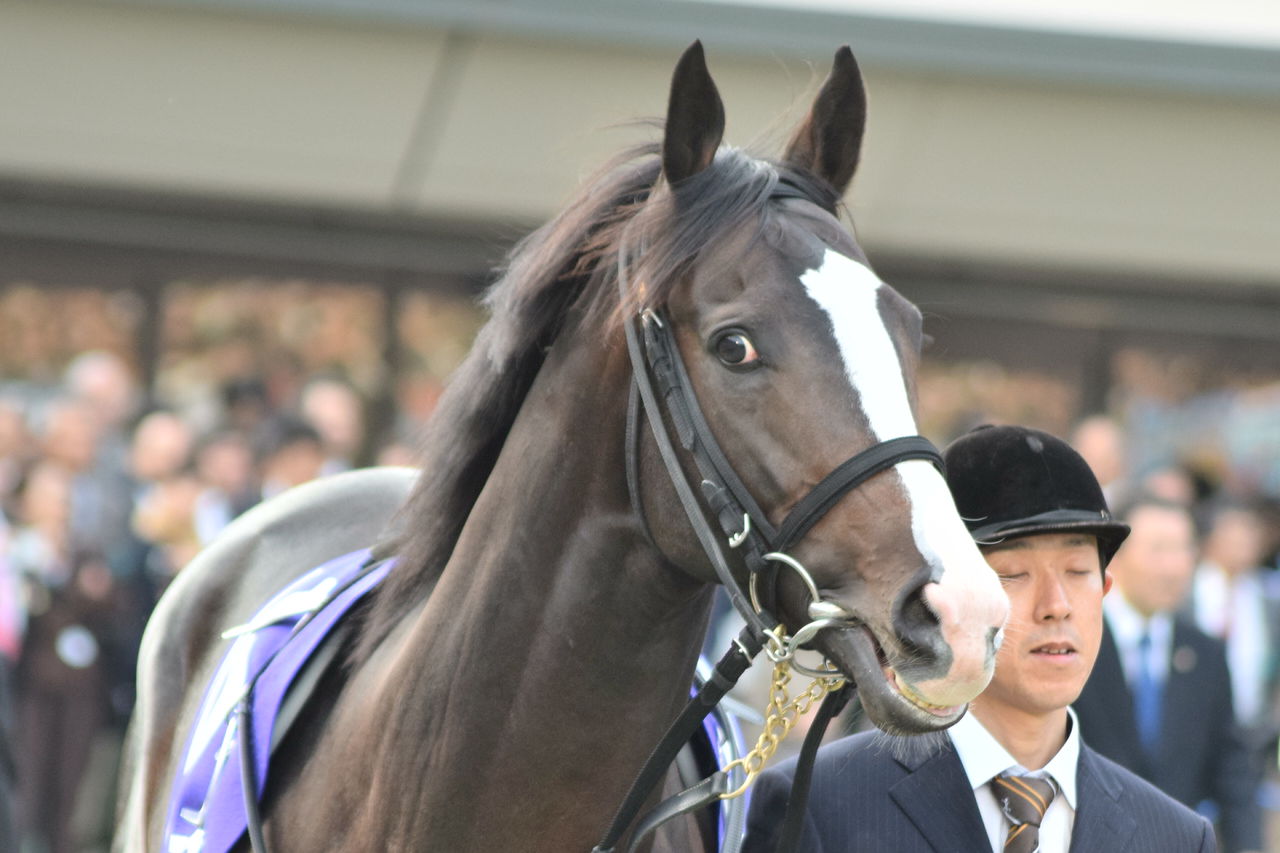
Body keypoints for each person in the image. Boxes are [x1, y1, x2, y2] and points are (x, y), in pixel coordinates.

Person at [745, 424, 1215, 852]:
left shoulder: (1175, 837)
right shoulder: (822, 805)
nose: (1057, 604)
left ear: (1106, 590)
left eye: (1077, 572)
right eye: (1014, 574)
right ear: (939, 594)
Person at [1073, 497, 1264, 853]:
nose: (1173, 567)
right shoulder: (1076, 644)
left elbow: (1231, 766)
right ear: (1115, 557)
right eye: (1158, 550)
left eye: (1182, 550)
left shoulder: (1205, 653)